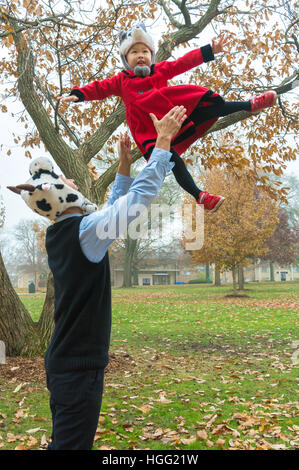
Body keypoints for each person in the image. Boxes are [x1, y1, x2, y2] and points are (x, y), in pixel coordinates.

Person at [7, 106, 187, 450]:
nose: (74, 182)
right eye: (68, 182)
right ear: (59, 194)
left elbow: (112, 213)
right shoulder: (84, 232)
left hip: (65, 364)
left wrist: (123, 166)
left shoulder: (67, 232)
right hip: (76, 370)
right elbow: (136, 201)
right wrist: (162, 142)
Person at [57, 23, 277, 214]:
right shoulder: (122, 80)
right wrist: (78, 94)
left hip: (171, 119)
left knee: (210, 104)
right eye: (134, 52)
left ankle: (250, 105)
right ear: (126, 59)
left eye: (145, 51)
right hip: (148, 130)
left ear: (152, 56)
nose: (141, 55)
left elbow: (182, 63)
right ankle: (199, 196)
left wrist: (210, 50)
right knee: (171, 160)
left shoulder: (159, 71)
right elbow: (99, 88)